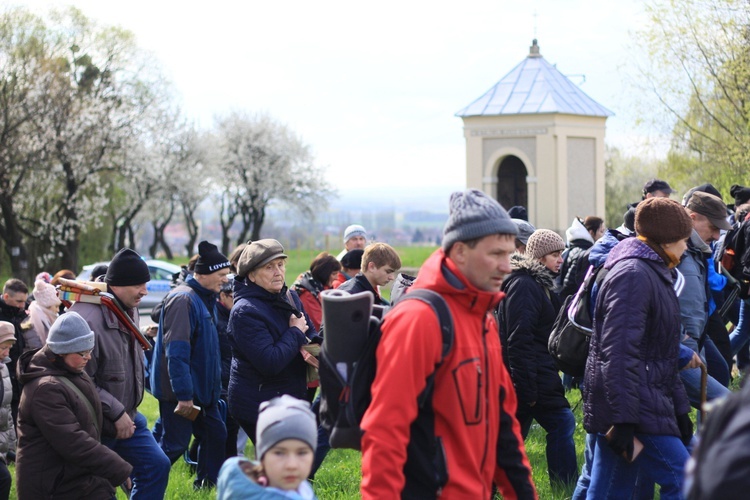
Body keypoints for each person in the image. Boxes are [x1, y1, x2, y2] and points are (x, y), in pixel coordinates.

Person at [361, 189, 536, 499]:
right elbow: (384, 432)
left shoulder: (483, 318)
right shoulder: (418, 320)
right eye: (496, 253)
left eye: (509, 254)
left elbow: (503, 426)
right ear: (459, 252)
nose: (507, 266)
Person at [583, 197, 694, 499]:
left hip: (636, 402)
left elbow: (661, 352)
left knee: (611, 491)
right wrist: (625, 419)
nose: (686, 248)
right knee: (686, 482)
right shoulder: (634, 275)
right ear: (667, 239)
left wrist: (680, 410)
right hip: (632, 407)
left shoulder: (653, 271)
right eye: (684, 240)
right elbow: (618, 352)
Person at [71, 248, 171, 499]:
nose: (145, 291)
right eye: (138, 284)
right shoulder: (86, 320)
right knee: (100, 489)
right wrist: (115, 413)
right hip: (96, 426)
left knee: (157, 465)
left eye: (145, 284)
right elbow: (78, 382)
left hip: (130, 417)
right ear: (117, 284)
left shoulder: (127, 305)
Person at [15, 312, 133, 498]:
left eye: (90, 350)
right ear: (61, 352)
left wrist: (113, 428)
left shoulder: (72, 372)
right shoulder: (46, 389)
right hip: (53, 485)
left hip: (75, 476)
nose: (88, 357)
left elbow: (85, 413)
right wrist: (118, 468)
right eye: (82, 352)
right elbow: (72, 441)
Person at [500, 229, 578, 487]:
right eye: (555, 254)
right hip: (530, 375)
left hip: (535, 373)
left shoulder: (539, 285)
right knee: (562, 422)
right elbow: (518, 340)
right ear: (540, 257)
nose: (561, 259)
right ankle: (565, 485)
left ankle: (489, 487)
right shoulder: (524, 286)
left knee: (511, 438)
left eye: (561, 253)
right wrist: (526, 388)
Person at [151, 241, 231, 489]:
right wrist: (183, 396)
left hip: (203, 393)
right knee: (174, 445)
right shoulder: (183, 300)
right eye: (221, 275)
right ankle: (140, 479)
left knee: (216, 434)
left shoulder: (204, 298)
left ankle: (206, 488)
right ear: (204, 274)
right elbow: (177, 352)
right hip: (182, 393)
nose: (225, 281)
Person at [227, 239, 320, 448]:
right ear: (251, 275)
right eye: (269, 267)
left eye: (280, 264)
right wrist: (295, 331)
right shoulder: (245, 311)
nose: (278, 272)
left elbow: (309, 332)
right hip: (258, 403)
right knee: (280, 465)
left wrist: (322, 349)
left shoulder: (289, 296)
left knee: (285, 465)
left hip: (288, 396)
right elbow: (270, 362)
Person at [217, 395, 318, 500]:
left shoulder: (302, 489)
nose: (291, 465)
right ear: (262, 456)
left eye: (302, 453)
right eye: (279, 453)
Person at [336, 242, 401, 306]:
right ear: (371, 267)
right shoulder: (353, 298)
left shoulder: (361, 293)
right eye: (388, 271)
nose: (392, 277)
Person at [0, 278, 28, 424]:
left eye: (24, 301)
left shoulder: (19, 314)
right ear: (6, 297)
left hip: (16, 380)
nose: (23, 305)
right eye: (19, 301)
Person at [559, 216, 605, 299]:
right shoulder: (583, 252)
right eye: (601, 231)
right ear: (591, 233)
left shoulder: (574, 247)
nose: (603, 235)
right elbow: (569, 286)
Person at [293, 252, 341, 330]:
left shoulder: (320, 286)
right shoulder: (307, 293)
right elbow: (319, 326)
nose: (336, 278)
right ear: (324, 273)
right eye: (334, 274)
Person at [20, 279, 60, 351]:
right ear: (47, 306)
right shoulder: (31, 323)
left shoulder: (47, 319)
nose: (58, 310)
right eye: (56, 306)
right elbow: (35, 348)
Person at [0, 323, 16, 500]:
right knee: (3, 478)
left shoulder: (4, 368)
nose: (7, 353)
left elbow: (6, 411)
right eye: (3, 347)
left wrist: (11, 446)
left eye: (9, 348)